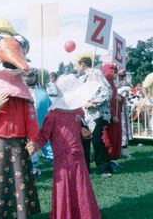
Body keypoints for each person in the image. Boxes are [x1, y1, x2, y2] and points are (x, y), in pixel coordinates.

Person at [0, 18, 41, 218]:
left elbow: (30, 116)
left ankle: (20, 212)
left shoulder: (22, 87)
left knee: (20, 178)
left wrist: (34, 139)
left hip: (19, 141)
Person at [26, 74, 102, 219]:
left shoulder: (78, 112)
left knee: (80, 186)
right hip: (62, 158)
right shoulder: (53, 115)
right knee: (65, 187)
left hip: (77, 156)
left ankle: (82, 214)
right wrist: (35, 144)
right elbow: (44, 135)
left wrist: (85, 133)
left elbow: (82, 129)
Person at [77, 56, 113, 177]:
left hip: (98, 113)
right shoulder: (82, 78)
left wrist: (93, 103)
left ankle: (104, 168)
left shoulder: (96, 74)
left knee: (96, 139)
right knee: (84, 141)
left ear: (82, 64)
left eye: (77, 65)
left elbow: (107, 92)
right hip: (84, 115)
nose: (76, 68)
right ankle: (85, 168)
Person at [23, 68, 53, 176]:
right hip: (43, 123)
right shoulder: (43, 94)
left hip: (29, 125)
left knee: (30, 143)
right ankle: (57, 161)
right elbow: (51, 108)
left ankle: (33, 166)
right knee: (46, 143)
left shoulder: (22, 94)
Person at [101, 64, 123, 169]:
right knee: (109, 137)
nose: (115, 73)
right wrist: (113, 114)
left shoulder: (113, 84)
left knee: (116, 136)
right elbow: (108, 101)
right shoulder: (105, 85)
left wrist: (120, 99)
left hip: (116, 115)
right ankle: (109, 158)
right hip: (110, 116)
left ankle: (114, 157)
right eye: (113, 71)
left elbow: (115, 99)